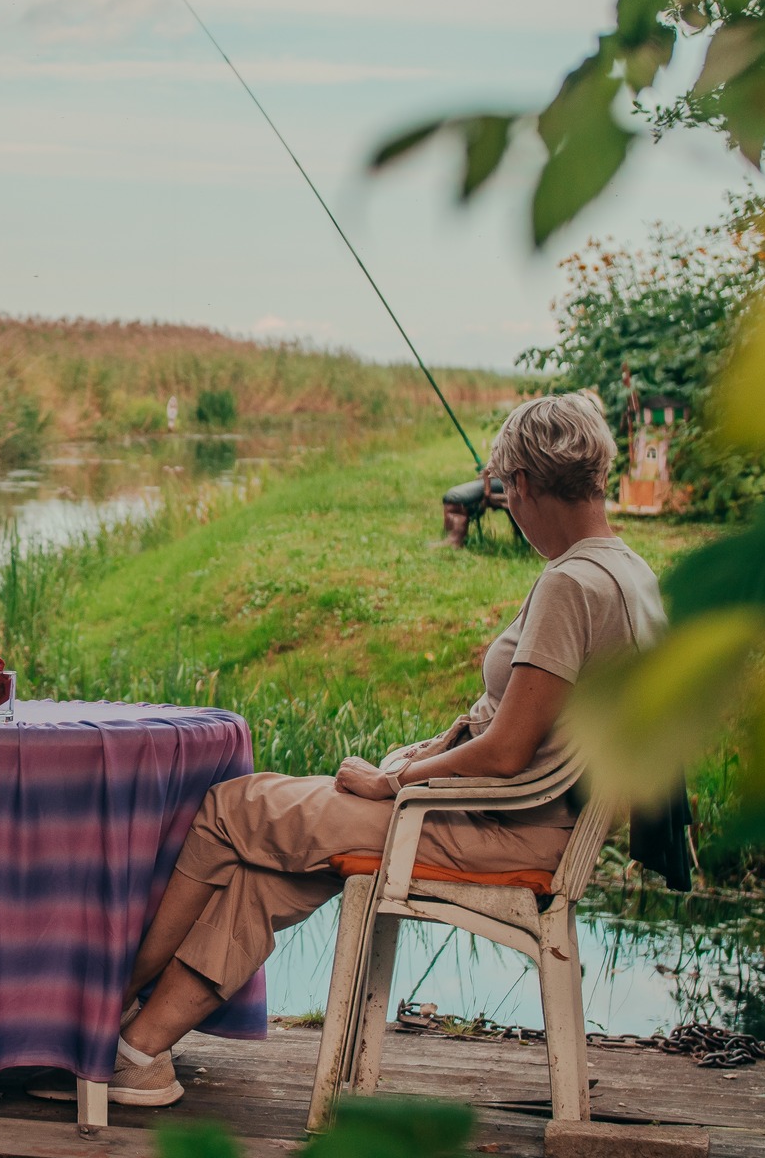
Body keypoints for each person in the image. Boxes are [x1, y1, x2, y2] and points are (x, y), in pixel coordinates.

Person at [40, 392, 664, 1107]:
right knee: (264, 871)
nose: (507, 506)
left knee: (229, 810)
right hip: (514, 820)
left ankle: (93, 1014)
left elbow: (505, 751)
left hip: (493, 829)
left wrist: (396, 783)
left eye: (502, 489)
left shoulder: (570, 584)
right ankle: (138, 1053)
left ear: (520, 484)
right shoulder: (630, 573)